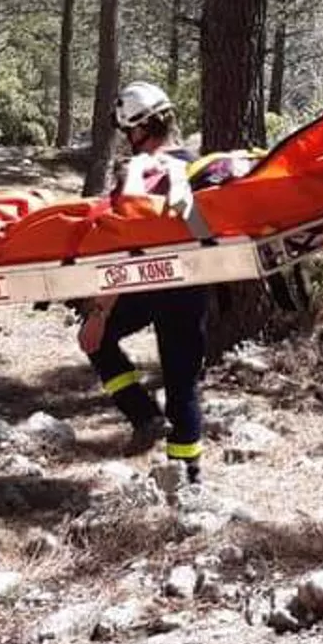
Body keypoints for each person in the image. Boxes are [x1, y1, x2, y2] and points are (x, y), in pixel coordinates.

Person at [78, 81, 211, 484]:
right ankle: (187, 481)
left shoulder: (137, 174)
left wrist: (100, 312)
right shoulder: (199, 167)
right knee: (182, 383)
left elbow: (121, 249)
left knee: (94, 340)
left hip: (146, 284)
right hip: (191, 288)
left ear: (137, 129)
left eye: (127, 132)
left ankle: (143, 415)